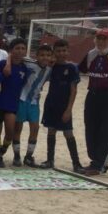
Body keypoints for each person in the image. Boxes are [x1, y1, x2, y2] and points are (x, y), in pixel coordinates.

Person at [39, 40, 85, 173]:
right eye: (58, 51)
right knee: (51, 131)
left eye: (64, 50)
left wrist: (68, 110)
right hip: (51, 104)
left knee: (68, 132)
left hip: (64, 106)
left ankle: (76, 163)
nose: (61, 53)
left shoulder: (72, 68)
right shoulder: (51, 67)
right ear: (54, 52)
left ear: (68, 51)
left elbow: (73, 90)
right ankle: (50, 160)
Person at [0, 38, 31, 167]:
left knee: (10, 131)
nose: (20, 51)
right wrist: (8, 62)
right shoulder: (2, 64)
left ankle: (2, 150)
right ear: (11, 51)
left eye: (23, 48)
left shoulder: (25, 68)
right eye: (17, 48)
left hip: (12, 104)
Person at [79, 28, 108, 176]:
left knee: (106, 130)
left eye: (105, 39)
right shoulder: (91, 54)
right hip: (92, 95)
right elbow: (80, 69)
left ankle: (100, 164)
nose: (101, 41)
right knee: (90, 128)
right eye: (99, 38)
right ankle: (94, 160)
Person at [15, 44, 53, 167]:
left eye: (48, 55)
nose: (45, 57)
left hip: (34, 102)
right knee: (18, 128)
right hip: (21, 99)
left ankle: (28, 156)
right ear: (36, 56)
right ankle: (16, 156)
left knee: (35, 128)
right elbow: (15, 57)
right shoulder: (28, 63)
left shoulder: (50, 70)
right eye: (42, 55)